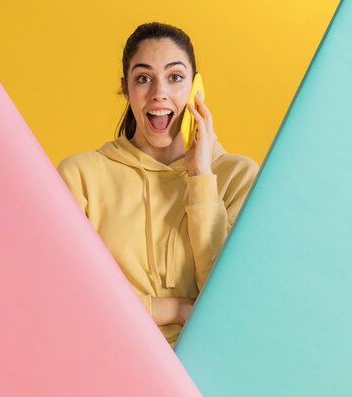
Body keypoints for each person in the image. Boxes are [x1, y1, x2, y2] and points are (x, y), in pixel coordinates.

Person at [57, 22, 258, 346]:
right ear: (126, 89)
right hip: (106, 364)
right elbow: (63, 293)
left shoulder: (238, 177)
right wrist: (174, 309)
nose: (159, 92)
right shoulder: (81, 176)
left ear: (196, 88)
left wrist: (201, 177)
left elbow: (229, 304)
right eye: (143, 78)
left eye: (175, 77)